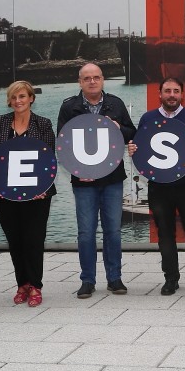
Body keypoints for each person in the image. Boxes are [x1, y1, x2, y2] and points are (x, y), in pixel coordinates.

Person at [57, 62, 137, 299]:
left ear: (103, 79)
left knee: (113, 231)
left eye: (96, 77)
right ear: (80, 82)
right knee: (86, 233)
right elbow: (62, 143)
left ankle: (114, 278)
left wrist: (119, 128)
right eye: (87, 78)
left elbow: (132, 133)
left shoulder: (116, 104)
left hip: (112, 178)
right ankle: (87, 280)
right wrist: (77, 169)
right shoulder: (69, 107)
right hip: (83, 180)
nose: (92, 81)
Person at [129, 76, 185, 296]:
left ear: (182, 94)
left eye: (176, 91)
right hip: (159, 187)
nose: (172, 95)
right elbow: (141, 149)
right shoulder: (148, 118)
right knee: (165, 234)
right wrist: (133, 150)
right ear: (160, 94)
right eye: (167, 91)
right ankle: (171, 278)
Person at [0, 80, 56, 307]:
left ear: (31, 98)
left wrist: (42, 187)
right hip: (3, 193)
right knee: (15, 240)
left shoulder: (43, 124)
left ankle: (35, 285)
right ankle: (22, 284)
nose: (18, 101)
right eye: (14, 97)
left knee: (34, 239)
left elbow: (48, 157)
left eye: (22, 96)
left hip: (37, 194)